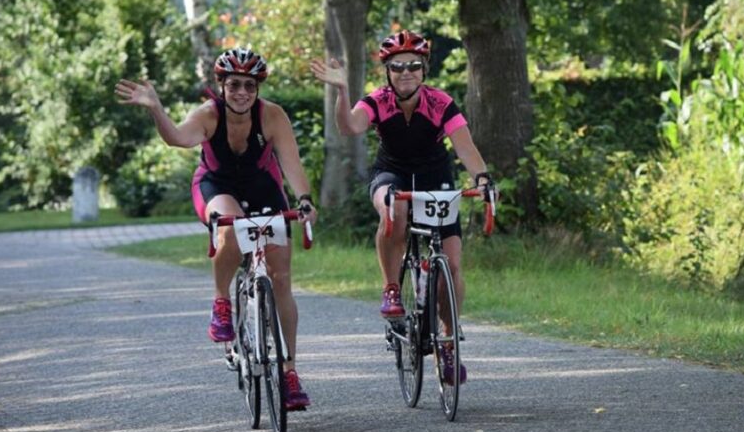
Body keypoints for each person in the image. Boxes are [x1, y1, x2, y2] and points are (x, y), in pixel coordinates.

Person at [114, 48, 317, 410]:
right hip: (216, 185)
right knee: (232, 230)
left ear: (258, 88)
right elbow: (177, 138)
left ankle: (289, 372)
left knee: (282, 279)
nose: (242, 92)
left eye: (250, 86)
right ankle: (222, 301)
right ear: (221, 85)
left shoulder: (272, 115)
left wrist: (304, 200)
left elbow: (291, 163)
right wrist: (156, 109)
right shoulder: (208, 115)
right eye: (235, 84)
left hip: (262, 185)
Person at [310, 30, 494, 385]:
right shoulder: (377, 101)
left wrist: (483, 179)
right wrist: (342, 90)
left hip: (434, 176)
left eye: (413, 65)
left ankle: (449, 343)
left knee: (452, 267)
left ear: (424, 69)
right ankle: (392, 287)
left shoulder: (441, 103)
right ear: (388, 72)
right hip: (391, 174)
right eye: (397, 67)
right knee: (395, 211)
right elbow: (349, 127)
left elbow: (465, 147)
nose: (405, 72)